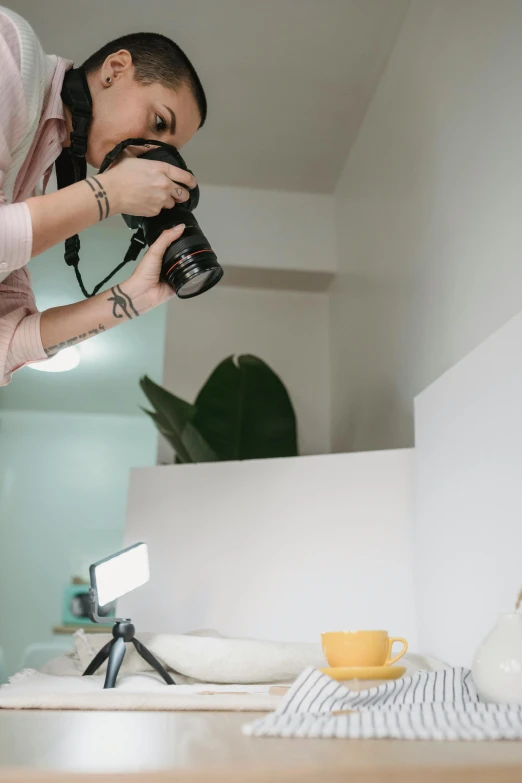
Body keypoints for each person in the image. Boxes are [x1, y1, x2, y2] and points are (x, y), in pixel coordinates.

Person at [0, 5, 206, 384]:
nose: (149, 152)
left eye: (166, 149)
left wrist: (130, 300)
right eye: (158, 122)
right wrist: (108, 193)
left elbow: (5, 344)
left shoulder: (30, 178)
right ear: (115, 70)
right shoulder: (10, 47)